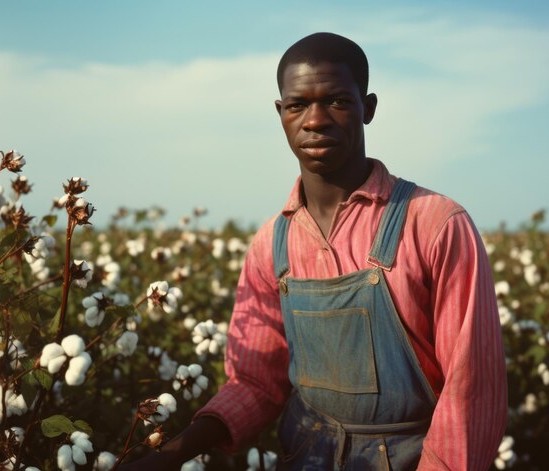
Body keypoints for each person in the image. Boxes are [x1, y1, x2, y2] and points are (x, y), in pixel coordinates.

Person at [122, 32, 507, 470]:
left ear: (369, 107)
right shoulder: (272, 244)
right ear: (280, 113)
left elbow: (469, 395)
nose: (315, 120)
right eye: (297, 105)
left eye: (338, 101)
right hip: (304, 456)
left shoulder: (435, 224)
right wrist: (174, 452)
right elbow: (256, 383)